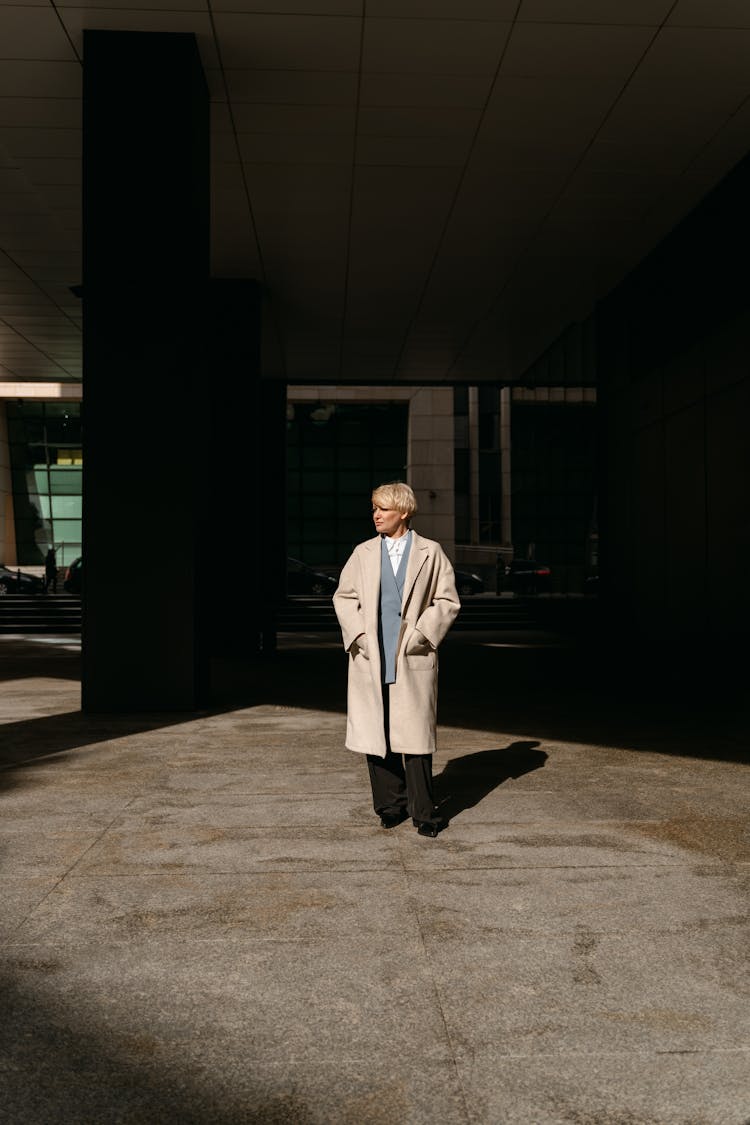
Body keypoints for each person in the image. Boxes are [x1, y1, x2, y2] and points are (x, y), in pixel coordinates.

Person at [333, 482, 460, 838]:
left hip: (412, 657)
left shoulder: (430, 553)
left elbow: (447, 601)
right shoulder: (363, 553)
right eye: (374, 508)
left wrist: (423, 635)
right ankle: (391, 806)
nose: (375, 515)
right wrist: (358, 635)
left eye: (383, 509)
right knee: (378, 734)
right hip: (371, 658)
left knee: (415, 739)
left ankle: (424, 813)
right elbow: (343, 597)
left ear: (403, 511)